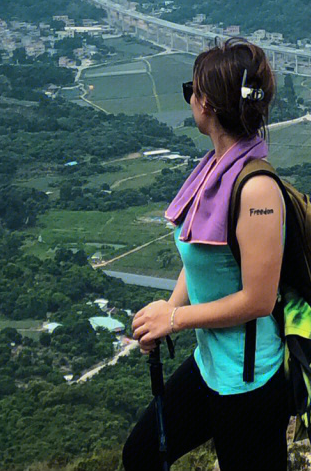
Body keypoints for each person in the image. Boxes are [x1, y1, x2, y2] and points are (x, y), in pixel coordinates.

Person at [123, 38, 289, 471]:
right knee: (140, 455)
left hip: (249, 383)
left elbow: (259, 300)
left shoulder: (257, 190)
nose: (190, 100)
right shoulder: (214, 168)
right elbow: (201, 256)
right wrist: (170, 308)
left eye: (190, 91)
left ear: (208, 105)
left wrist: (174, 319)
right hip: (210, 364)